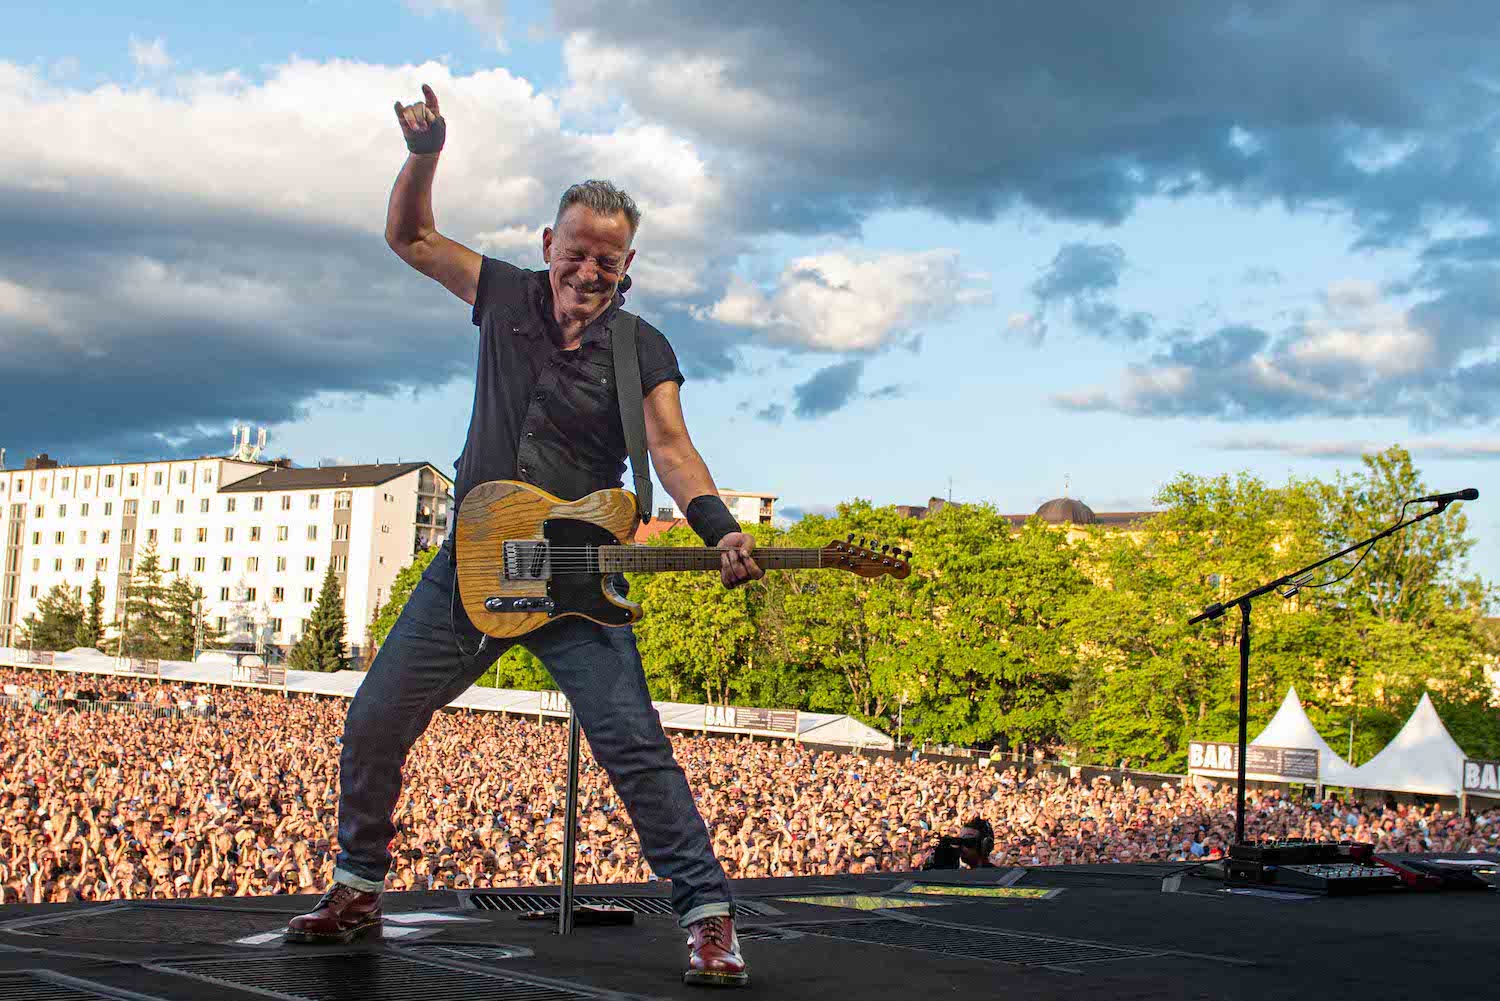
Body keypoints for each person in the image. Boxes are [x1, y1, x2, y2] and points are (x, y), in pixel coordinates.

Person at [285, 84, 761, 989]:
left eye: (609, 262)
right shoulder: (502, 293)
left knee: (632, 742)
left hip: (574, 572)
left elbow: (671, 445)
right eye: (577, 251)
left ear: (629, 269)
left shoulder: (642, 346)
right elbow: (411, 239)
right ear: (549, 246)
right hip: (470, 562)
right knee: (377, 714)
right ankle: (356, 889)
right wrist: (426, 154)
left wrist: (721, 527)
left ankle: (707, 916)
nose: (590, 270)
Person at [921, 817, 998, 870]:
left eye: (968, 842)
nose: (962, 847)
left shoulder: (998, 876)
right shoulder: (959, 872)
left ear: (986, 845)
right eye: (959, 841)